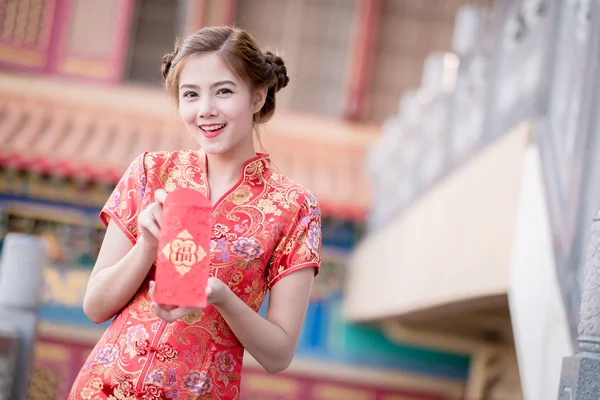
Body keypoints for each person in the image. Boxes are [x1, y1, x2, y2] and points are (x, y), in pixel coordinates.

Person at [68, 26, 322, 400]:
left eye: (223, 91)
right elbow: (95, 305)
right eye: (191, 94)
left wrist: (221, 296)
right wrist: (147, 246)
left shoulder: (293, 207)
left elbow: (279, 354)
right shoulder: (151, 172)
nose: (206, 110)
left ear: (257, 96)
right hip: (103, 388)